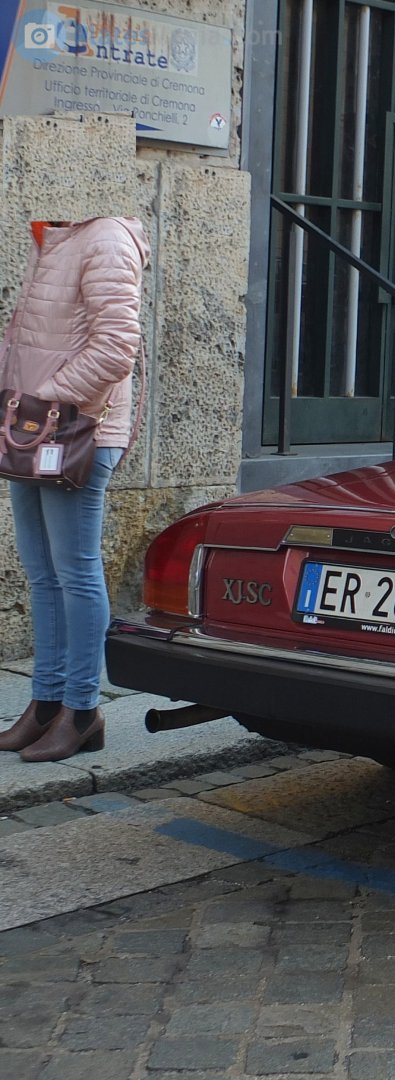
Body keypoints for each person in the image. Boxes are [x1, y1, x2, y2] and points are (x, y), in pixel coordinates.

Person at [0, 216, 148, 762]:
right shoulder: (57, 242)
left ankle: (82, 711)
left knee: (75, 573)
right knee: (43, 574)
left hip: (74, 432)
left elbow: (116, 347)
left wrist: (46, 400)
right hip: (31, 430)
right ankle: (46, 704)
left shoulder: (105, 239)